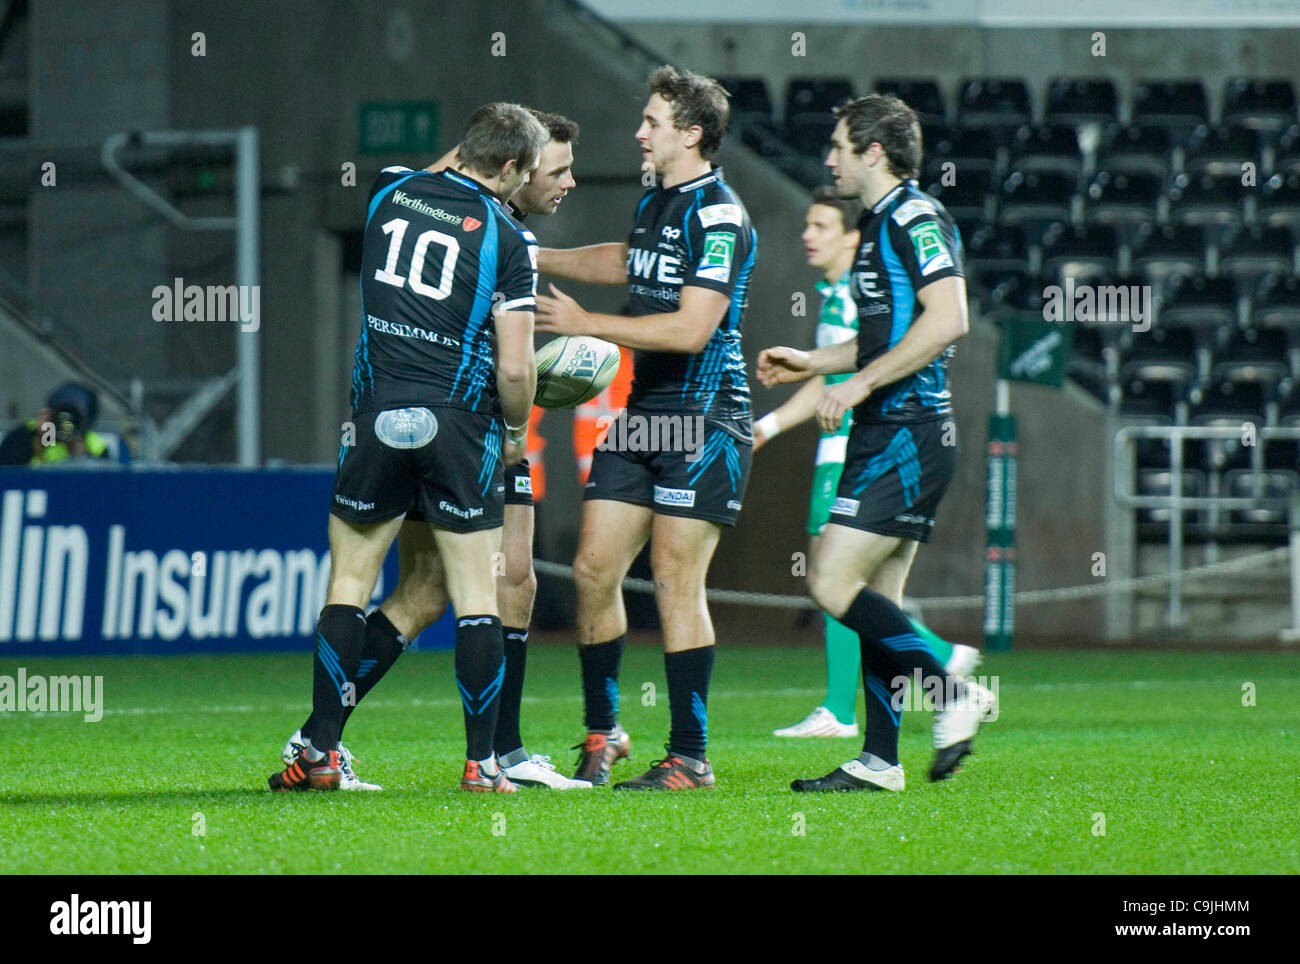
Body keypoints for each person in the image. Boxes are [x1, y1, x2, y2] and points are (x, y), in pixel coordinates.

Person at [279, 110, 591, 791]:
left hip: (374, 416)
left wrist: (498, 124)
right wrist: (513, 436)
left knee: (350, 587)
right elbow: (514, 370)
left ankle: (319, 751)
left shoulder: (389, 190)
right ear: (511, 168)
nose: (559, 178)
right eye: (545, 165)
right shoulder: (508, 238)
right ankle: (483, 764)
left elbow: (450, 167)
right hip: (457, 425)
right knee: (476, 594)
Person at [757, 94, 995, 792]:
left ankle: (951, 687)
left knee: (830, 580)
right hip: (896, 431)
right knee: (876, 600)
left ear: (874, 152)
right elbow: (884, 336)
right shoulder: (882, 221)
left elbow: (949, 318)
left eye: (839, 146)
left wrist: (860, 386)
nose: (829, 158)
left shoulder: (916, 215)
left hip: (906, 432)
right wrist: (814, 361)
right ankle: (881, 759)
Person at [536, 66, 756, 790]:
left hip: (705, 418)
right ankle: (604, 733)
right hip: (645, 418)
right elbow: (627, 262)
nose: (639, 132)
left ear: (692, 135)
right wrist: (533, 257)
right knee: (596, 571)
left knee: (672, 580)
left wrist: (582, 323)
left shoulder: (719, 215)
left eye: (653, 122)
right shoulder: (656, 202)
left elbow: (694, 329)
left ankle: (689, 756)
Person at [0, 383, 115, 466]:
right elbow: (7, 471)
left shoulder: (95, 446)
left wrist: (80, 459)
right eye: (62, 417)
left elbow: (102, 487)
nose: (66, 425)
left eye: (72, 419)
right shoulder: (24, 434)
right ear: (50, 414)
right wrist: (39, 439)